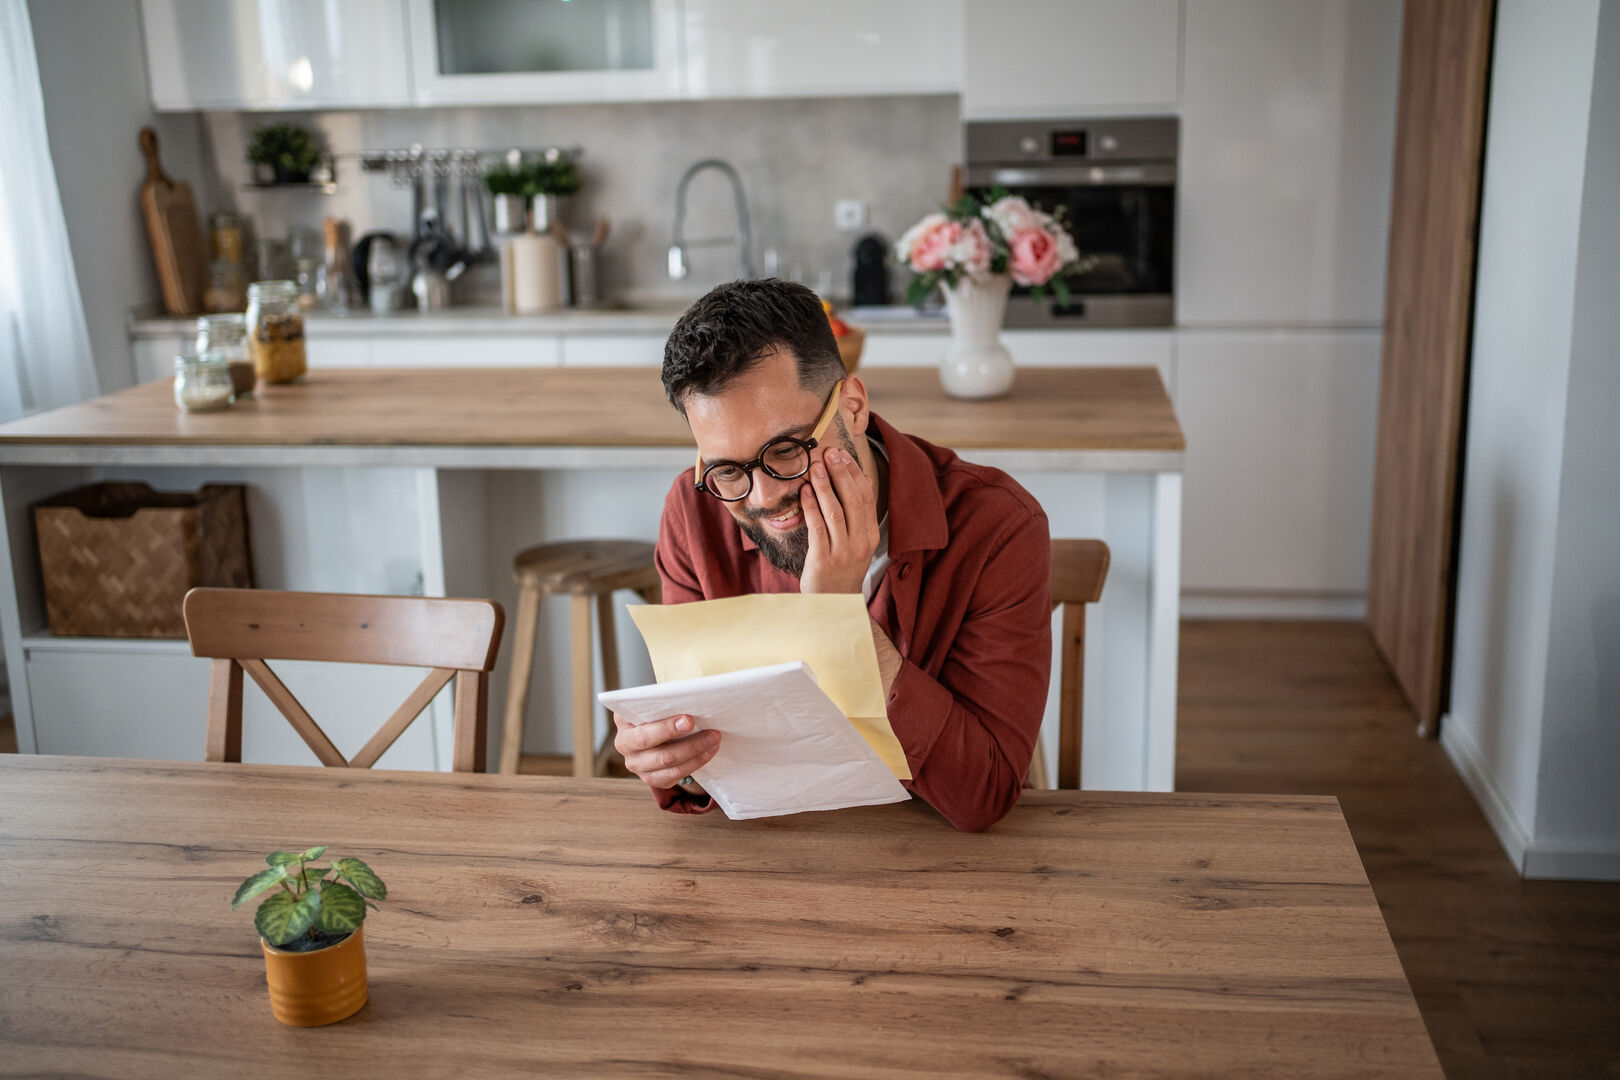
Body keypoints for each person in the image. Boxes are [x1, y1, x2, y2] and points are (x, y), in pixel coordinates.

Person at [612, 279, 1051, 831]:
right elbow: (710, 766)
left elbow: (983, 794)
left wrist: (837, 620)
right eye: (726, 468)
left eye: (788, 450)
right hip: (776, 853)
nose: (763, 497)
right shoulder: (694, 512)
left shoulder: (998, 526)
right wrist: (673, 760)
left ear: (854, 407)